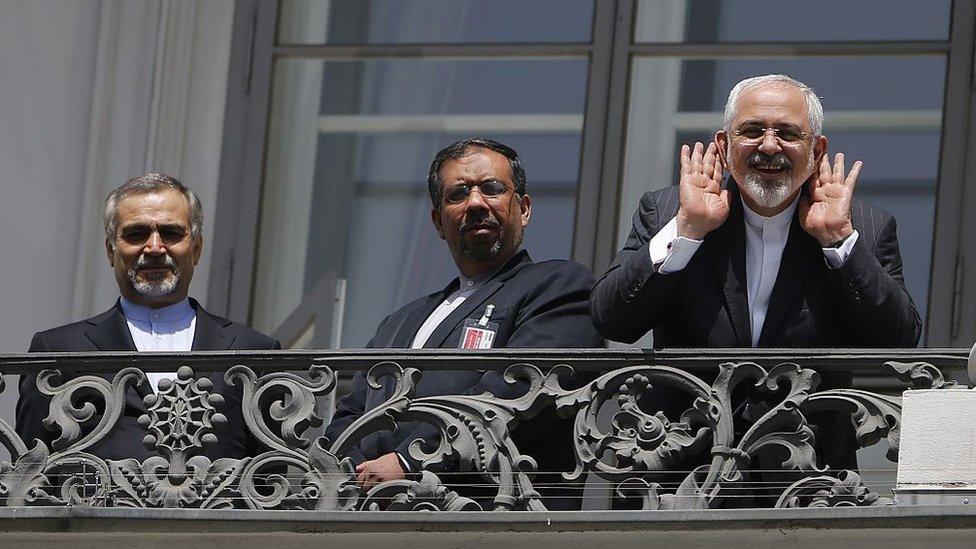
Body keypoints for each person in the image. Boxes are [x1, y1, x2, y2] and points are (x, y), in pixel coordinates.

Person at [590, 74, 922, 474]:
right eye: (751, 131)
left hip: (808, 476)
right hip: (679, 468)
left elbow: (898, 339)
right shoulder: (668, 212)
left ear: (816, 151)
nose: (768, 145)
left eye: (787, 133)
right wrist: (687, 230)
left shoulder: (865, 227)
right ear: (724, 147)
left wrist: (837, 239)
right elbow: (612, 319)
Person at [325, 138, 603, 506]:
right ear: (439, 222)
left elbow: (521, 390)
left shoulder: (559, 286)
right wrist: (347, 471)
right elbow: (350, 412)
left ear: (523, 209)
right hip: (373, 516)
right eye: (458, 194)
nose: (475, 203)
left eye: (492, 188)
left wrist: (409, 462)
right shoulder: (400, 322)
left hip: (494, 514)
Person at [16, 174, 280, 461]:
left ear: (197, 249)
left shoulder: (255, 352)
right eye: (136, 234)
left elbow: (271, 476)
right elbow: (30, 474)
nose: (154, 248)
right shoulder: (57, 350)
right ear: (110, 250)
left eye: (171, 233)